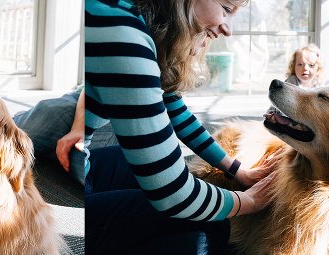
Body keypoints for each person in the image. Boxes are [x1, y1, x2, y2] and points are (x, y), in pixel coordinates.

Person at [84, 0, 278, 253]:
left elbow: (174, 110)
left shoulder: (134, 21)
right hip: (82, 191)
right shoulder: (124, 36)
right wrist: (249, 201)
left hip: (85, 163)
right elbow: (173, 194)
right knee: (213, 226)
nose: (228, 28)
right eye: (227, 9)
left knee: (156, 169)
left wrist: (235, 169)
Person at [13, 88, 86, 185]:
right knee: (59, 112)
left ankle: (51, 147)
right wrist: (78, 129)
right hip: (86, 101)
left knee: (85, 163)